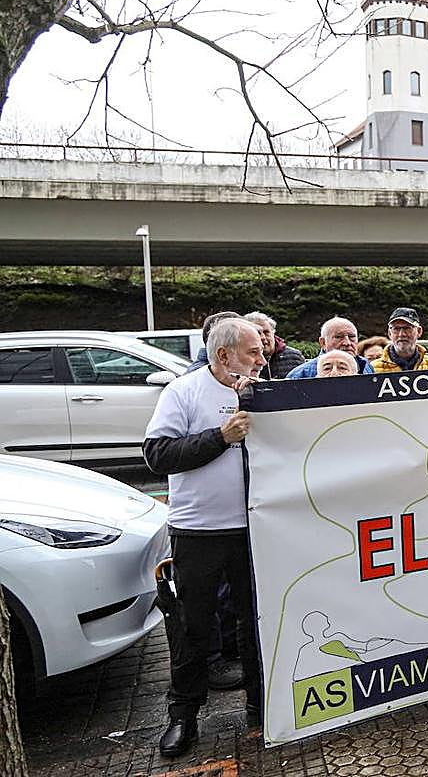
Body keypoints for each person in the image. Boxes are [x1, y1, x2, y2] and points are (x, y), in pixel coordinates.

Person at [142, 318, 266, 757]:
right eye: (253, 352)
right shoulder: (184, 392)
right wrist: (220, 437)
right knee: (193, 626)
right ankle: (183, 715)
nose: (262, 359)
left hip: (256, 528)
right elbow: (157, 455)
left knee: (256, 621)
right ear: (224, 355)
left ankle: (261, 705)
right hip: (198, 530)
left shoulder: (264, 391)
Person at [287, 317, 375, 378]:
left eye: (352, 337)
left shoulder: (366, 366)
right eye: (338, 337)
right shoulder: (301, 374)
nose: (347, 343)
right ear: (323, 342)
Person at [371, 307, 428, 373]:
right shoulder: (373, 368)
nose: (401, 334)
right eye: (396, 329)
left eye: (407, 328)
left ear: (419, 331)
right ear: (389, 333)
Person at [244, 311, 304, 380]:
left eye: (266, 332)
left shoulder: (294, 357)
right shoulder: (241, 358)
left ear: (273, 333)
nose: (263, 337)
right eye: (257, 333)